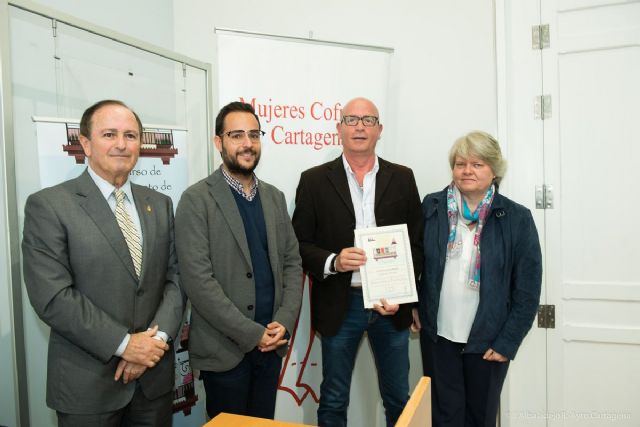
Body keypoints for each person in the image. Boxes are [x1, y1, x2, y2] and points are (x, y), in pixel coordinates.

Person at [22, 100, 184, 426]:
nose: (121, 144)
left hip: (153, 384)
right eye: (109, 134)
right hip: (87, 388)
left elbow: (177, 279)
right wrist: (125, 345)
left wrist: (154, 343)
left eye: (131, 135)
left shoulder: (161, 204)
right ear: (85, 143)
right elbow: (53, 296)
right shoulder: (49, 206)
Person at [292, 97, 423, 427]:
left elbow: (417, 244)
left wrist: (405, 294)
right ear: (339, 129)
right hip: (341, 303)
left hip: (390, 306)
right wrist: (333, 261)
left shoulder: (403, 178)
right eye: (351, 120)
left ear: (380, 130)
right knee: (334, 398)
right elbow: (298, 244)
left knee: (398, 398)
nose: (360, 126)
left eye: (368, 120)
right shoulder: (314, 180)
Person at [174, 101, 303, 420]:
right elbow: (198, 282)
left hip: (271, 347)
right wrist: (251, 333)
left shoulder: (274, 197)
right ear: (219, 142)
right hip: (224, 351)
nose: (247, 143)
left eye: (254, 134)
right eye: (236, 135)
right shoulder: (196, 200)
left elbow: (292, 263)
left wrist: (283, 322)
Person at [417, 131, 542, 426]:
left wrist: (508, 341)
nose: (467, 171)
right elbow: (414, 260)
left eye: (477, 164)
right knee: (443, 417)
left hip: (489, 341)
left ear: (494, 170)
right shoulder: (432, 206)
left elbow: (527, 289)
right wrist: (412, 303)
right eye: (461, 164)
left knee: (479, 417)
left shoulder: (516, 218)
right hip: (439, 336)